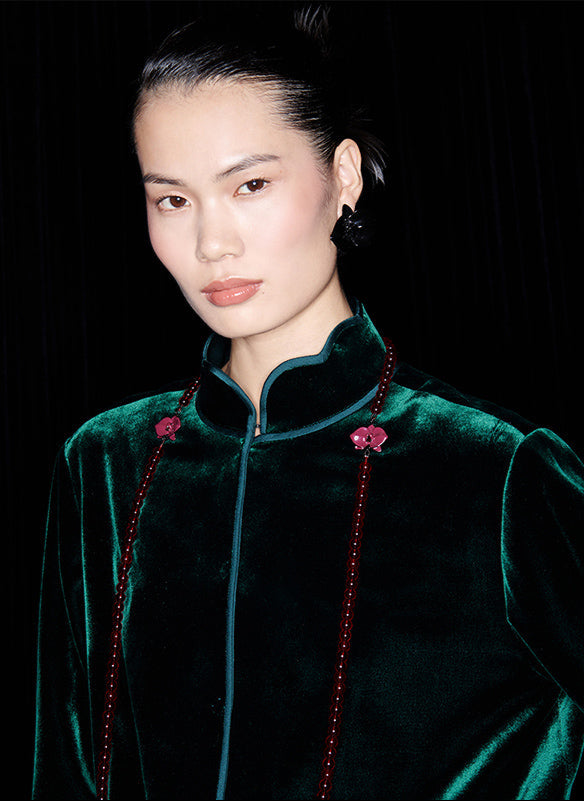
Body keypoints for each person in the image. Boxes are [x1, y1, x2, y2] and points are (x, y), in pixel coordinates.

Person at [32, 4, 584, 799]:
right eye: (173, 200)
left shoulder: (496, 468)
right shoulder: (103, 463)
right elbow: (68, 763)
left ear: (344, 177)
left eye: (250, 184)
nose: (212, 243)